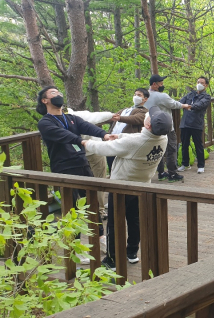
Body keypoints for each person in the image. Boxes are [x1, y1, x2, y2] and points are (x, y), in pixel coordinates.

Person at [83, 106, 170, 271]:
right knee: (135, 220)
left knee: (115, 223)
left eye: (148, 116)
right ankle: (132, 252)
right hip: (142, 185)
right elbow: (140, 138)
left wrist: (85, 142)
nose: (146, 115)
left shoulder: (133, 143)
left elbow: (104, 149)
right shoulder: (162, 138)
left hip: (121, 187)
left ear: (148, 125)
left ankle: (112, 259)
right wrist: (121, 136)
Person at [36, 86, 116, 264]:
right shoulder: (45, 122)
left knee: (92, 203)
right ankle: (74, 247)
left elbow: (87, 126)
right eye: (53, 93)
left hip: (82, 163)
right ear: (45, 100)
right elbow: (63, 135)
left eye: (59, 92)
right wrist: (81, 140)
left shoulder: (70, 118)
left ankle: (101, 239)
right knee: (71, 209)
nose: (59, 95)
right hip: (63, 168)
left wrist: (104, 135)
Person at [67, 107, 112, 250]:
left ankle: (99, 212)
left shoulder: (78, 116)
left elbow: (96, 117)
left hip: (92, 151)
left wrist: (112, 115)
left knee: (96, 183)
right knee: (88, 190)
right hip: (77, 156)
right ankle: (97, 213)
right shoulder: (53, 123)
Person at [144, 74, 188, 183]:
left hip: (152, 128)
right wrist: (185, 106)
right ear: (154, 84)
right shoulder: (161, 96)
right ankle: (172, 173)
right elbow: (174, 104)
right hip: (166, 127)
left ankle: (161, 173)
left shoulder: (145, 95)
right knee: (171, 149)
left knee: (157, 150)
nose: (162, 85)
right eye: (161, 83)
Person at [106, 88, 150, 173]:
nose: (135, 96)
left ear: (145, 99)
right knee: (111, 165)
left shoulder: (145, 112)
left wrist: (120, 118)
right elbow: (112, 117)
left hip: (126, 143)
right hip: (112, 141)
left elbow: (134, 119)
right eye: (135, 94)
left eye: (139, 95)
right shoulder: (125, 110)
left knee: (123, 168)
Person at [178, 77, 211, 173]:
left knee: (198, 145)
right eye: (198, 82)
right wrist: (183, 105)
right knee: (184, 144)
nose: (199, 84)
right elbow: (181, 101)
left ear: (206, 85)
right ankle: (185, 164)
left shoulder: (206, 97)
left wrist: (189, 106)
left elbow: (200, 105)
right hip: (185, 123)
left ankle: (201, 165)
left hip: (196, 123)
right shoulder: (191, 94)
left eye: (202, 83)